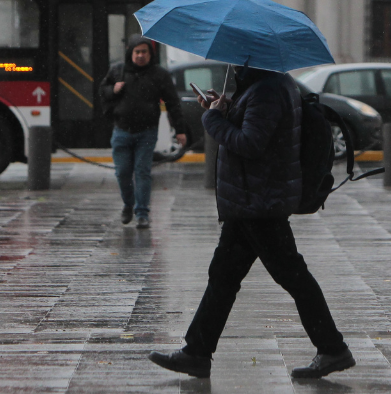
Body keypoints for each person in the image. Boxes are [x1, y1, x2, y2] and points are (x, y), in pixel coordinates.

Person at [148, 66, 354, 380]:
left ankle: (333, 348)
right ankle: (197, 353)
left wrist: (212, 119)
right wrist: (228, 108)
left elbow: (251, 143)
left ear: (252, 57)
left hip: (259, 201)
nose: (235, 62)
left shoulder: (267, 90)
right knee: (223, 277)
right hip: (251, 201)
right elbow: (260, 130)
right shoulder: (269, 85)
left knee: (292, 276)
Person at [98, 35, 187, 229]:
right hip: (121, 131)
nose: (140, 56)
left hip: (147, 132)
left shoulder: (159, 75)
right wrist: (113, 89)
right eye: (137, 52)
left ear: (150, 54)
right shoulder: (117, 70)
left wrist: (180, 130)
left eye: (144, 52)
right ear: (131, 53)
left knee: (142, 172)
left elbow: (173, 103)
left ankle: (142, 213)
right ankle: (128, 204)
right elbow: (102, 90)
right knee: (122, 172)